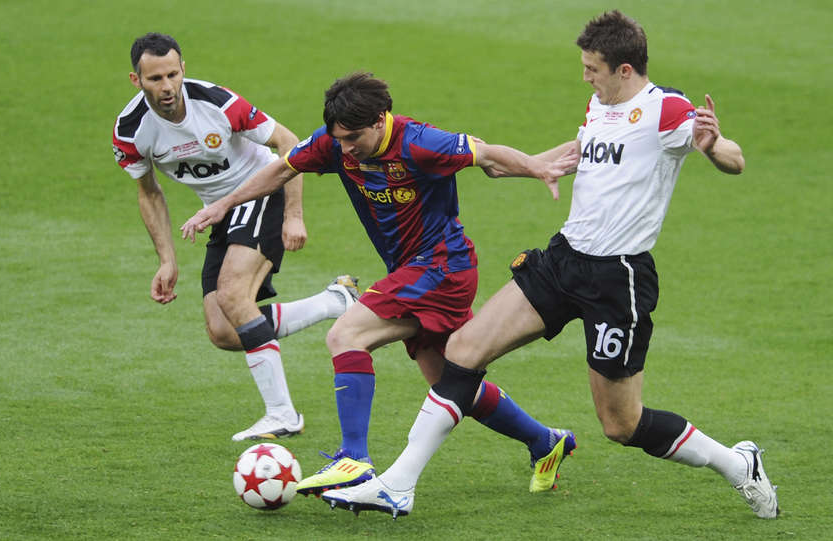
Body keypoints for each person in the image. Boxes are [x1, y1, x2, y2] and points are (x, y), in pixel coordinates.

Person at [320, 10, 779, 520]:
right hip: (563, 260)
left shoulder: (666, 110)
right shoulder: (600, 104)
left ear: (624, 70)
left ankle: (738, 464)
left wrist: (714, 146)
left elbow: (734, 158)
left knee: (621, 424)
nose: (585, 77)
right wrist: (529, 164)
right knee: (463, 350)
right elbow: (587, 151)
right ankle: (397, 485)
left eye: (592, 68)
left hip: (617, 279)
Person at [181, 72, 580, 496]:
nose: (346, 149)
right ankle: (545, 441)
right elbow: (281, 169)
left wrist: (538, 167)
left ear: (379, 120)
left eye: (353, 138)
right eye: (339, 139)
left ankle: (354, 458)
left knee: (346, 334)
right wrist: (223, 205)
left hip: (442, 267)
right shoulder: (335, 143)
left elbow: (489, 156)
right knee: (449, 382)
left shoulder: (420, 142)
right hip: (415, 270)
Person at [112, 33, 360, 442]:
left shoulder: (218, 104)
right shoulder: (130, 130)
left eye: (173, 74)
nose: (167, 86)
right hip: (221, 213)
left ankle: (282, 413)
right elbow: (149, 192)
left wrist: (294, 215)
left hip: (262, 190)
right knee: (224, 331)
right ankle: (335, 301)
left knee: (231, 294)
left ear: (183, 69)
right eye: (155, 78)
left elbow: (288, 142)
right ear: (136, 80)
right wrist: (167, 259)